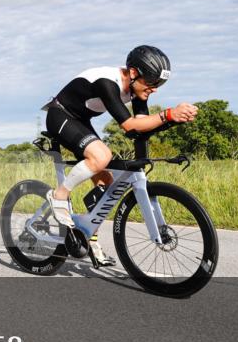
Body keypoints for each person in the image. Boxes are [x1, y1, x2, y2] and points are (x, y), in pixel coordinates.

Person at [41, 45, 198, 266]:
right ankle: (59, 195)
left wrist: (173, 121)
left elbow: (140, 129)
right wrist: (169, 114)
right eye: (152, 82)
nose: (154, 89)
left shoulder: (137, 89)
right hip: (60, 115)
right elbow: (129, 125)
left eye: (159, 84)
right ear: (133, 73)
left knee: (106, 182)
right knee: (102, 156)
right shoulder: (107, 82)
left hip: (80, 121)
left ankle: (88, 238)